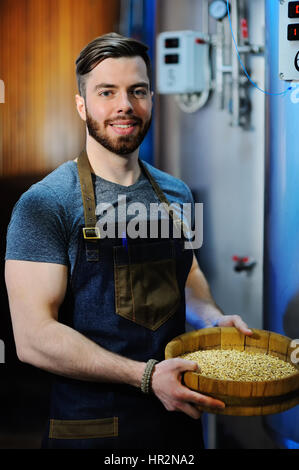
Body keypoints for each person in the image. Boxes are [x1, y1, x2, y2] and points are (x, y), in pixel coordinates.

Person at [5, 33, 252, 450]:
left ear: (151, 99)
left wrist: (211, 317)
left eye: (137, 91)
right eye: (108, 92)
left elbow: (185, 271)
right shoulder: (45, 204)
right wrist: (145, 376)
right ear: (81, 104)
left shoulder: (177, 193)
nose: (125, 105)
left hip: (177, 422)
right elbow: (33, 338)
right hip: (92, 430)